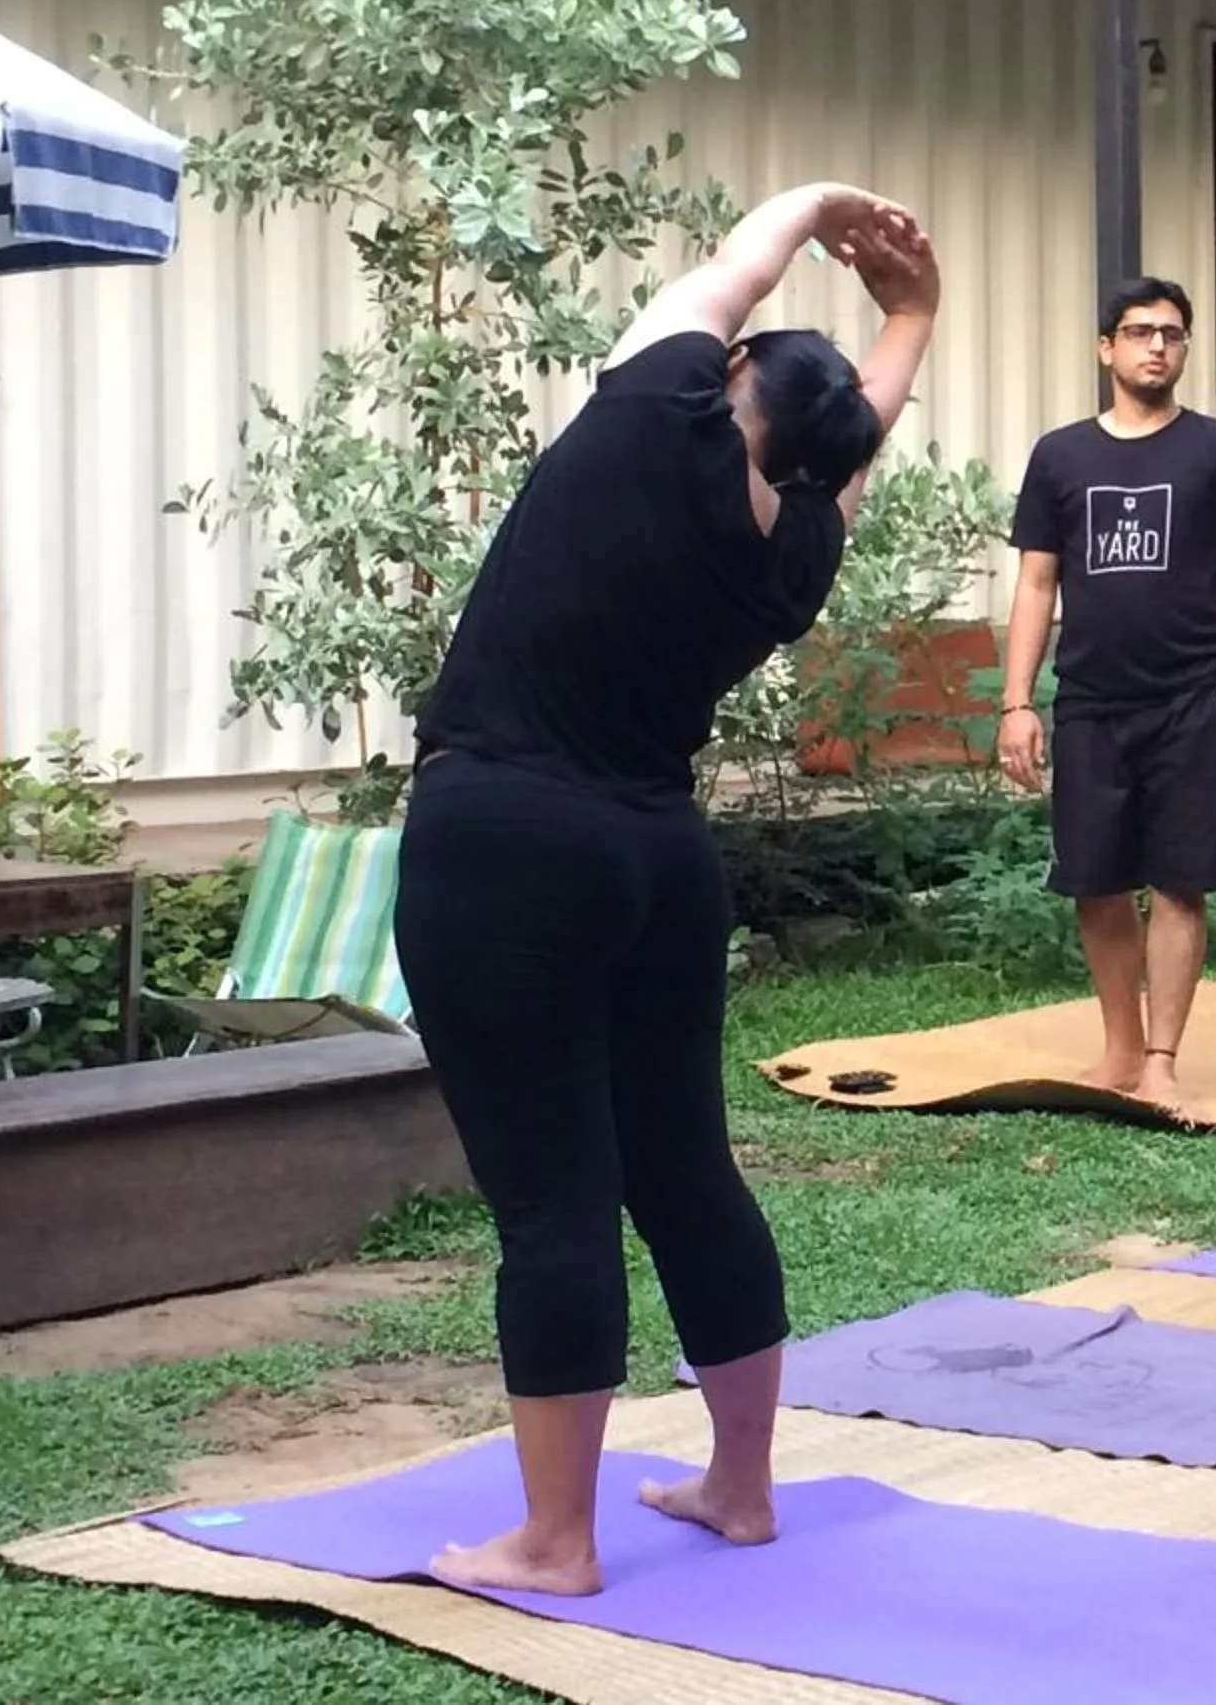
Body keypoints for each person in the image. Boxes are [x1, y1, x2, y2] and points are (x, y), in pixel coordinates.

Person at [397, 181, 941, 1595]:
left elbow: (729, 273)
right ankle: (739, 1487)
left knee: (552, 1200)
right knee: (684, 1167)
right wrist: (915, 310)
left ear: (736, 381)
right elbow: (843, 442)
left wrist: (819, 201)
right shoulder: (798, 548)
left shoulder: (650, 416)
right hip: (659, 858)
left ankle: (554, 1537)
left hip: (505, 835)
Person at [997, 277, 1216, 1117]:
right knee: (1095, 879)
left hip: (1193, 696)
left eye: (1171, 334)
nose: (1156, 346)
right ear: (1106, 349)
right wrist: (1018, 701)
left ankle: (1162, 1057)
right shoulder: (1061, 456)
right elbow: (1036, 584)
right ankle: (1120, 1045)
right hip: (1090, 699)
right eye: (1138, 332)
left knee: (1179, 879)